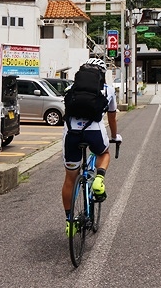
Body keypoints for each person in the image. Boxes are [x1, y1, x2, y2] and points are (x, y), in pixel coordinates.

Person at [61, 57, 122, 236]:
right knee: (104, 153)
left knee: (70, 179)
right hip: (94, 131)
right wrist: (114, 136)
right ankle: (99, 179)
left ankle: (69, 221)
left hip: (71, 134)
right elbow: (111, 117)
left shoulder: (70, 89)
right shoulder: (108, 90)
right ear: (102, 75)